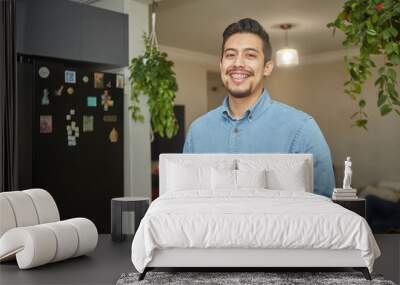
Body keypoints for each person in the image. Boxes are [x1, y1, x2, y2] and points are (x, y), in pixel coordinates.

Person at [183, 18, 335, 197]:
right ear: (221, 65)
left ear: (267, 67)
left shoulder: (302, 129)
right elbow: (186, 200)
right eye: (230, 55)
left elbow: (325, 208)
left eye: (250, 55)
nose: (238, 63)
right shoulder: (197, 131)